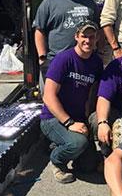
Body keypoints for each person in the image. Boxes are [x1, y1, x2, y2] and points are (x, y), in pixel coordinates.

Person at [40, 20, 103, 183]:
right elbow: (48, 96)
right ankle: (57, 161)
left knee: (88, 165)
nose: (87, 41)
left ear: (97, 39)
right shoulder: (64, 59)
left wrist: (88, 121)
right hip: (53, 118)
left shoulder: (96, 63)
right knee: (78, 143)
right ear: (76, 36)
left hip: (78, 118)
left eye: (92, 37)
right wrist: (69, 123)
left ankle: (61, 144)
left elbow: (92, 94)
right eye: (84, 36)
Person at [33, 0, 99, 85]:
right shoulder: (48, 3)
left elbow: (97, 30)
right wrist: (42, 57)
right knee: (51, 97)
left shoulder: (89, 3)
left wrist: (97, 51)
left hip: (84, 60)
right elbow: (39, 31)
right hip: (55, 60)